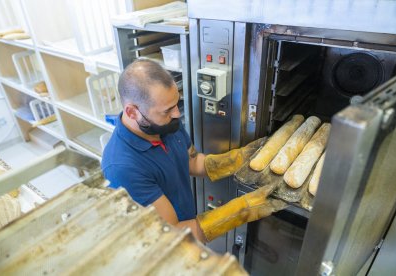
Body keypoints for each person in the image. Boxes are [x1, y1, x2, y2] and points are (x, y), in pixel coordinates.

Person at [102, 59, 285, 243]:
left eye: (176, 104)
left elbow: (192, 161)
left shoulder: (163, 124)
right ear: (132, 112)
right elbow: (172, 233)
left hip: (186, 224)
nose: (176, 114)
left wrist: (238, 160)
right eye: (167, 111)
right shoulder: (123, 168)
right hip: (164, 248)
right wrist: (241, 210)